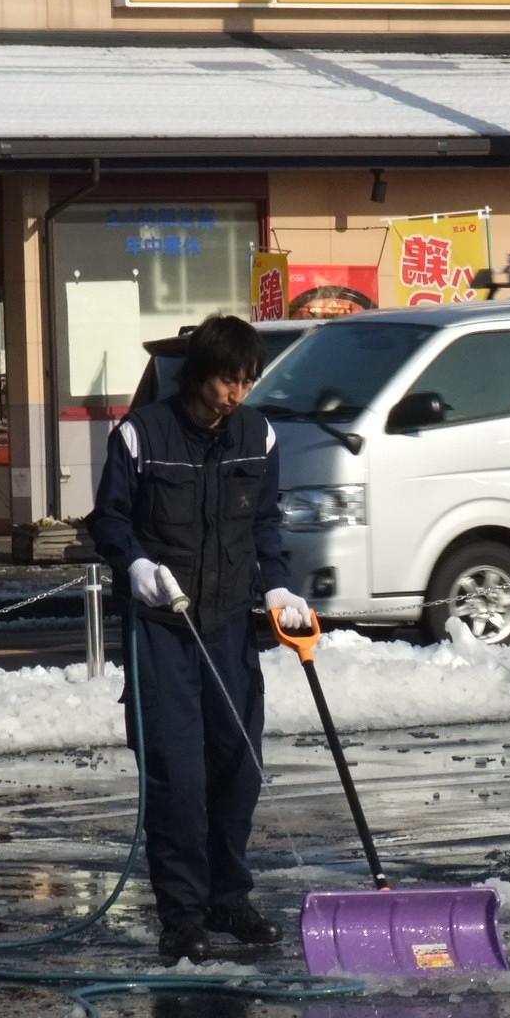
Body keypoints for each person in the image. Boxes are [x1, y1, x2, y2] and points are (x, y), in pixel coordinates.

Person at [88, 315, 311, 963]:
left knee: (238, 767)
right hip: (162, 631)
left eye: (245, 382)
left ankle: (228, 898)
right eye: (225, 381)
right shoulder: (141, 435)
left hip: (228, 629)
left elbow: (265, 522)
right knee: (178, 778)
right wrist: (135, 567)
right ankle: (182, 917)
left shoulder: (257, 435)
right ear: (197, 374)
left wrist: (277, 586)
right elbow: (110, 519)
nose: (235, 394)